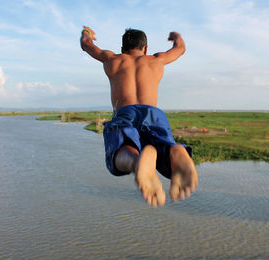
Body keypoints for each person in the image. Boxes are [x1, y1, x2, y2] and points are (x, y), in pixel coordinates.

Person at [80, 26, 198, 207]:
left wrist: (86, 33)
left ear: (122, 49)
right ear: (145, 49)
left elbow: (87, 45)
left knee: (119, 152)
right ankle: (175, 151)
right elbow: (180, 49)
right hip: (153, 113)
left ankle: (136, 162)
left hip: (125, 112)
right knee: (163, 150)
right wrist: (175, 36)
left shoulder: (112, 59)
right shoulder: (156, 60)